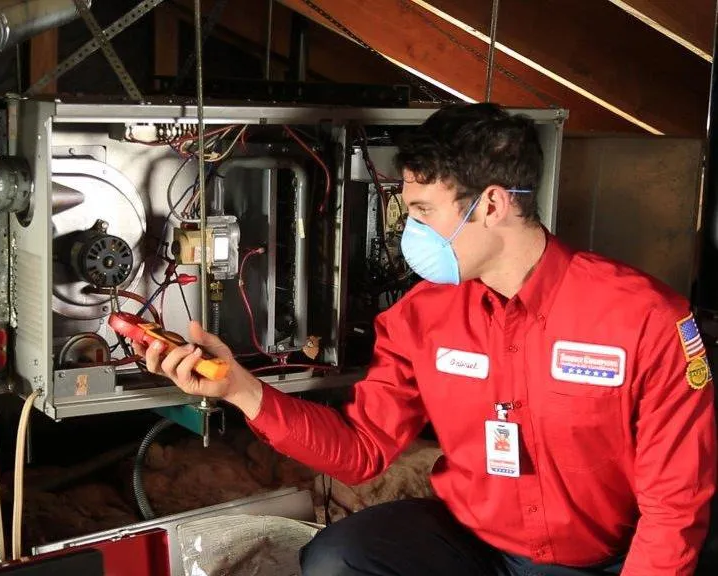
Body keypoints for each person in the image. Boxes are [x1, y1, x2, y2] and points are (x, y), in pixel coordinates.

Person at [135, 103, 717, 575]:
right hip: (475, 546)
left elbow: (675, 504)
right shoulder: (421, 317)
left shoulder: (644, 318)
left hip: (606, 562)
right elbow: (362, 452)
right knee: (339, 559)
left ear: (491, 204)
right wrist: (240, 388)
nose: (411, 233)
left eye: (422, 211)